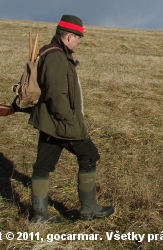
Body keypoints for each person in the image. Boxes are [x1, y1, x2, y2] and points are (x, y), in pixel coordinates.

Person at [28, 15, 114, 222]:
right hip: (61, 123)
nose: (79, 42)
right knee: (89, 155)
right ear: (68, 36)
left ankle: (40, 216)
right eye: (78, 38)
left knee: (42, 166)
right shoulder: (57, 57)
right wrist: (69, 119)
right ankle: (89, 208)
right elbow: (55, 94)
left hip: (48, 123)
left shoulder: (51, 52)